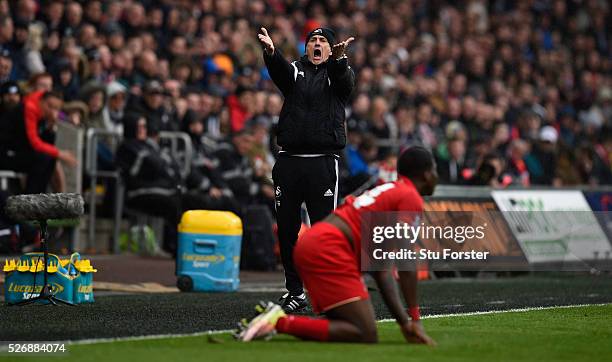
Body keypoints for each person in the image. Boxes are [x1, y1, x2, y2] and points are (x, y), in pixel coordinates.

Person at [237, 146, 438, 344]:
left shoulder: (390, 192)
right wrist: (415, 318)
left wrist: (405, 323)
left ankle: (276, 321)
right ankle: (277, 322)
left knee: (352, 325)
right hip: (331, 249)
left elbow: (382, 272)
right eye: (435, 171)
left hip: (314, 243)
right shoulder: (410, 197)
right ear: (427, 174)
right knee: (364, 332)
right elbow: (406, 263)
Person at [258, 26, 355, 312]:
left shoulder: (339, 72)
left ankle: (327, 290)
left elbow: (345, 86)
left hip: (322, 162)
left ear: (331, 48)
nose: (316, 44)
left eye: (322, 41)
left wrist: (338, 62)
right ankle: (295, 292)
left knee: (323, 232)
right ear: (306, 47)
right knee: (287, 230)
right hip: (289, 161)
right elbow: (281, 75)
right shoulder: (295, 71)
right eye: (313, 40)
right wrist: (272, 54)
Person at [0, 90, 76, 193]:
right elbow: (34, 144)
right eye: (50, 106)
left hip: (20, 152)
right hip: (6, 154)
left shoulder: (44, 114)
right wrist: (60, 153)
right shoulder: (29, 108)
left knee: (50, 159)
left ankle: (38, 197)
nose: (52, 111)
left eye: (56, 108)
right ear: (42, 101)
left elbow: (46, 144)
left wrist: (51, 127)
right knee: (42, 159)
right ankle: (30, 199)